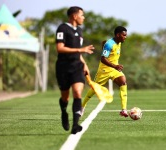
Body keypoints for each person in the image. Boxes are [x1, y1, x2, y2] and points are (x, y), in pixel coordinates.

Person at [55, 6, 95, 134]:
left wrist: (84, 64)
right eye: (82, 15)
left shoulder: (80, 31)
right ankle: (63, 112)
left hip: (77, 66)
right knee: (65, 97)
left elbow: (79, 53)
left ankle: (75, 124)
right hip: (63, 67)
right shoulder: (62, 28)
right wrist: (80, 50)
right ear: (74, 16)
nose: (83, 18)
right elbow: (60, 48)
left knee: (77, 92)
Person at [81, 26, 128, 117]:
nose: (125, 37)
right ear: (118, 35)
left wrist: (115, 66)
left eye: (126, 35)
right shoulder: (110, 44)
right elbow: (103, 59)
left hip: (114, 70)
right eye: (124, 35)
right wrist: (115, 65)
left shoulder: (119, 42)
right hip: (104, 70)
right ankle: (82, 106)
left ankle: (124, 110)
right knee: (94, 89)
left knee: (123, 83)